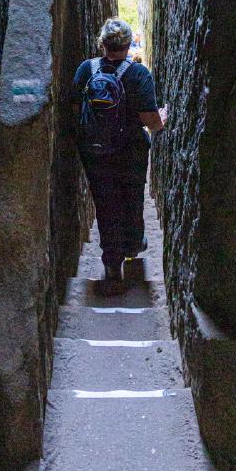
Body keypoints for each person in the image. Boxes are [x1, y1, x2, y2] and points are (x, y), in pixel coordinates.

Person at [71, 18, 168, 296]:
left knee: (105, 203)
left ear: (102, 44)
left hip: (96, 152)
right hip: (130, 151)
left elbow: (75, 109)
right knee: (132, 198)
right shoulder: (138, 74)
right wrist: (161, 119)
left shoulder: (86, 69)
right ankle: (133, 244)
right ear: (127, 45)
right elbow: (150, 121)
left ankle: (112, 262)